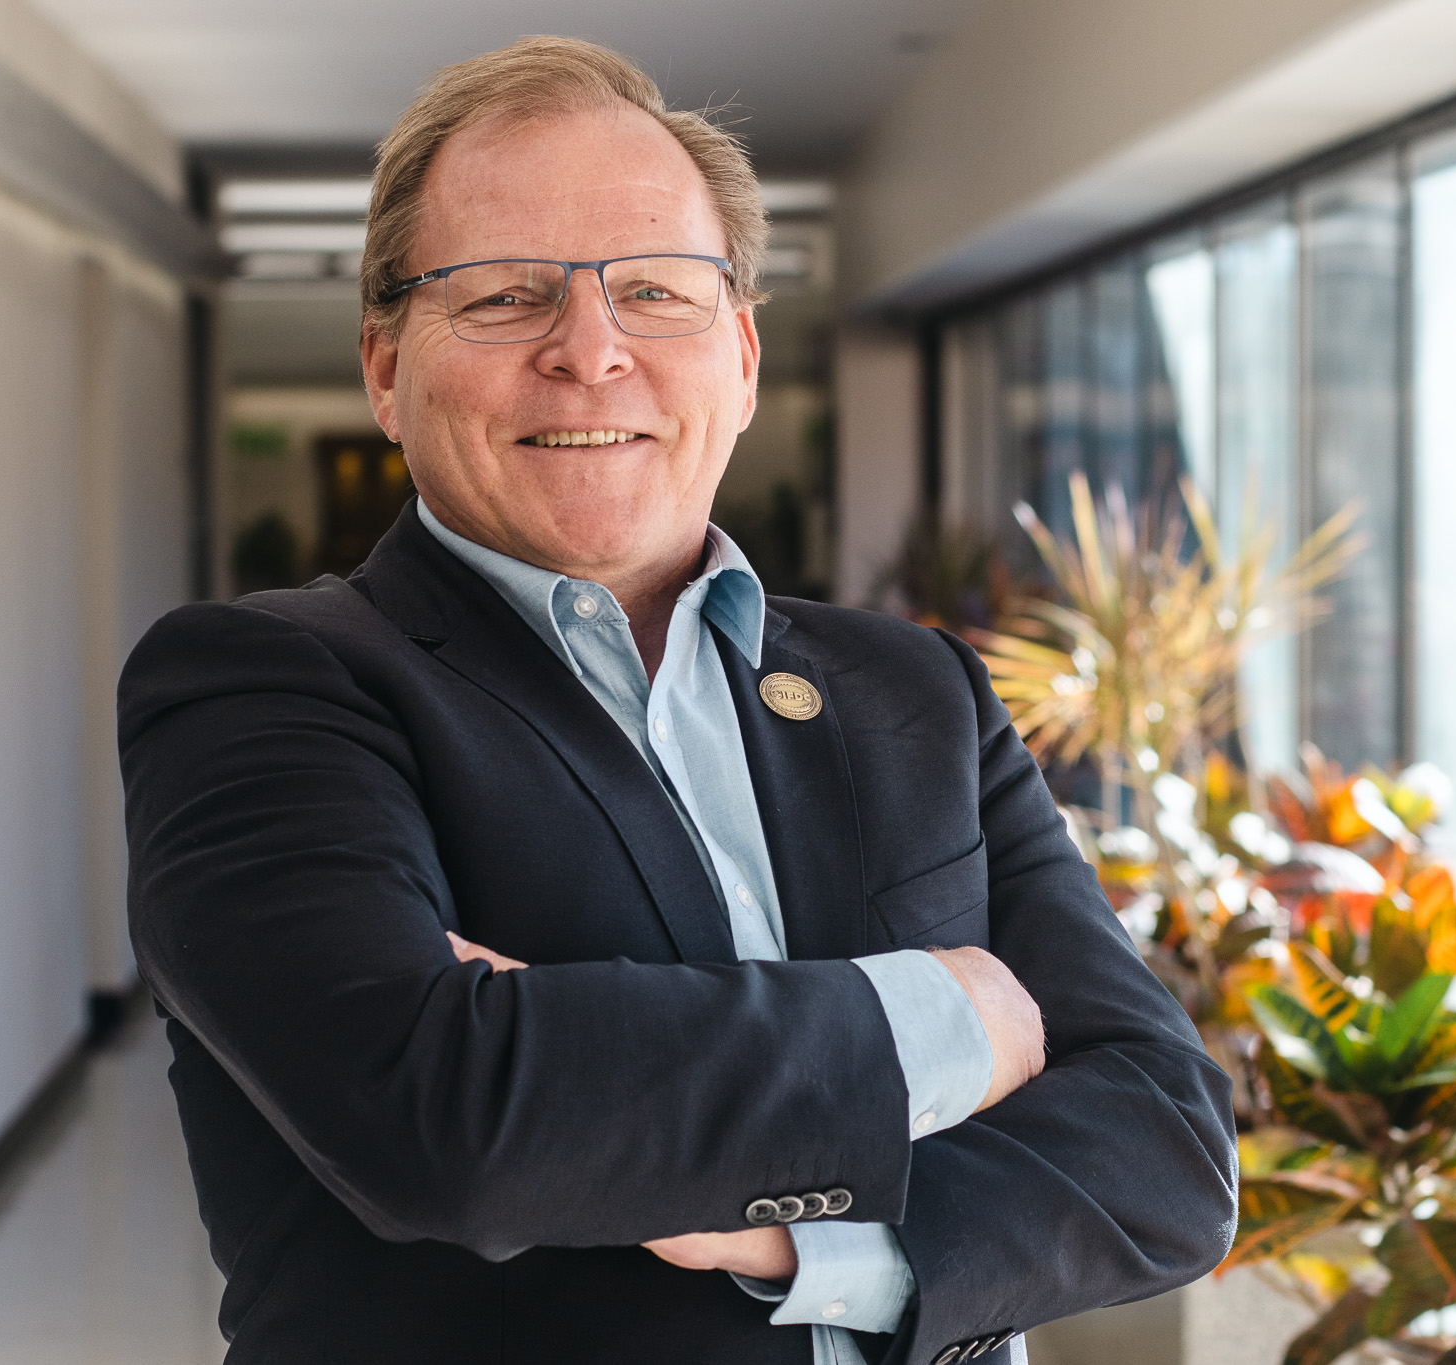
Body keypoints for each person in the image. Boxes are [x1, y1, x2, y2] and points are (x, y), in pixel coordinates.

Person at [118, 35, 1237, 1365]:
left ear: (744, 358)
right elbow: (449, 1125)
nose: (591, 353)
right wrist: (957, 1018)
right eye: (504, 295)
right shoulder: (266, 687)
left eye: (655, 291)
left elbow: (1171, 1150)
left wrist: (799, 1234)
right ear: (383, 367)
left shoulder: (917, 691)